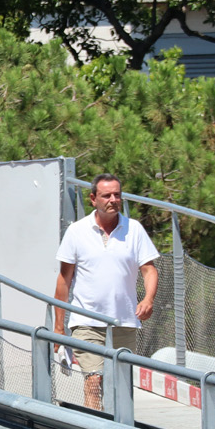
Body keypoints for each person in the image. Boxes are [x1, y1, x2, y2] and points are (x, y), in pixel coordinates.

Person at [54, 174, 159, 411]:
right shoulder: (77, 231)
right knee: (94, 379)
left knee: (120, 383)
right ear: (93, 199)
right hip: (86, 321)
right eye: (106, 195)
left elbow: (149, 269)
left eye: (117, 195)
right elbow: (63, 281)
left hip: (124, 321)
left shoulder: (135, 229)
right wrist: (59, 328)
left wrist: (148, 299)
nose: (113, 199)